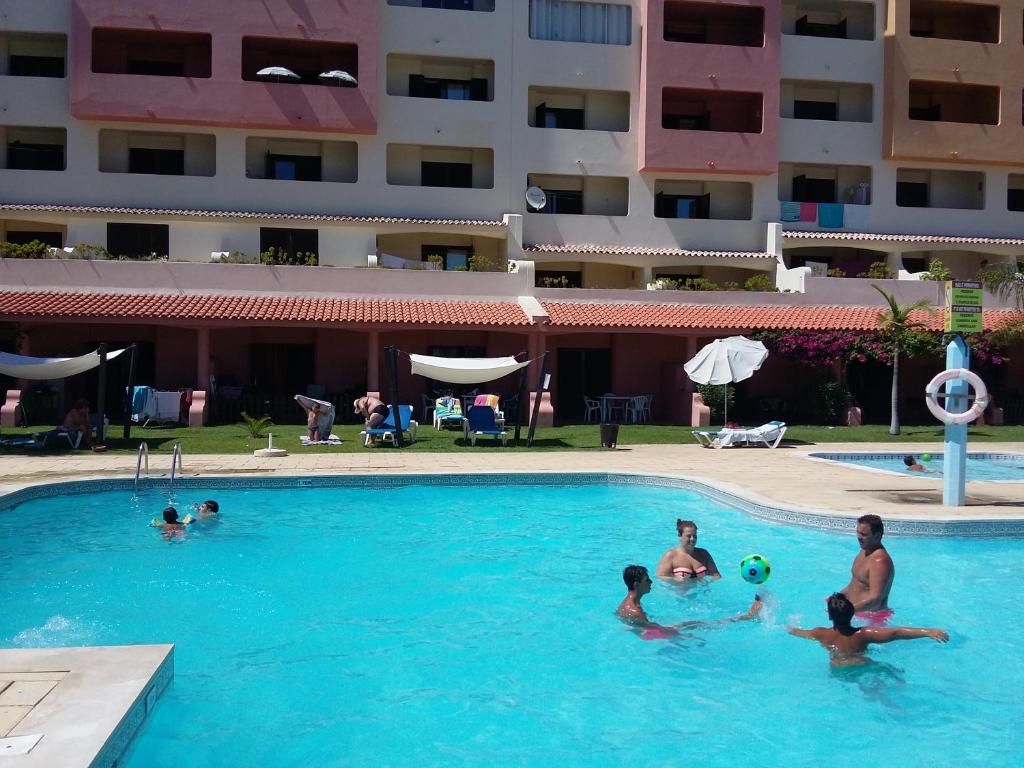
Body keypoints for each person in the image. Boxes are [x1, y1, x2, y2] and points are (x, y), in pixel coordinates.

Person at [788, 592, 948, 666]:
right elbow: (896, 632)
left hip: (837, 666)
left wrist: (787, 625)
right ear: (852, 614)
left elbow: (796, 631)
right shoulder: (863, 635)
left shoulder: (820, 633)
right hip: (861, 663)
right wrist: (928, 631)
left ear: (830, 616)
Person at [616, 564, 760, 637]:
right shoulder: (634, 610)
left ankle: (746, 616)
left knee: (690, 624)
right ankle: (747, 616)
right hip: (649, 634)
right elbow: (650, 630)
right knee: (699, 624)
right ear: (636, 585)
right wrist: (681, 636)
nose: (651, 582)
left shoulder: (630, 604)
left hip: (644, 631)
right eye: (647, 580)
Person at [839, 514, 895, 624]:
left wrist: (846, 611)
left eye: (864, 534)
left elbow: (875, 599)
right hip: (855, 612)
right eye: (858, 532)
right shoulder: (864, 551)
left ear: (877, 536)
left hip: (870, 618)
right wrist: (837, 598)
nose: (859, 537)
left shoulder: (880, 561)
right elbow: (855, 584)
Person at [654, 519, 721, 581]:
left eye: (695, 536)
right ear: (680, 536)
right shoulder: (670, 556)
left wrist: (707, 581)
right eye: (688, 536)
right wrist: (675, 579)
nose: (692, 539)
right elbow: (660, 576)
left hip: (703, 592)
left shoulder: (704, 554)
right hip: (680, 593)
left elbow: (716, 575)